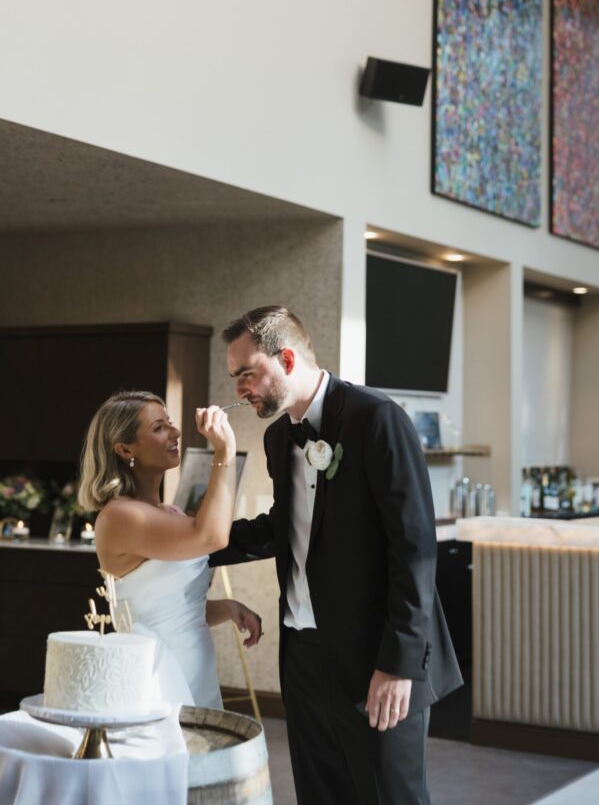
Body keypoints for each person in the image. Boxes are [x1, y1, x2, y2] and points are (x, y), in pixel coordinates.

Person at [210, 306, 462, 804]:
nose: (240, 389)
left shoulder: (376, 418)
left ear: (285, 358)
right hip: (303, 655)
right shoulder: (280, 437)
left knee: (390, 796)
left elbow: (414, 551)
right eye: (235, 378)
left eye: (246, 374)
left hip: (378, 655)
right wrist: (197, 545)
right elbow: (285, 528)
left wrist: (398, 664)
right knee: (321, 794)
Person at [78, 390, 262, 709]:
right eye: (159, 427)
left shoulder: (169, 512)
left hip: (193, 669)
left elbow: (170, 610)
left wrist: (227, 608)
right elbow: (212, 536)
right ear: (124, 449)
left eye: (170, 423)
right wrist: (225, 451)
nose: (175, 432)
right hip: (159, 678)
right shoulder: (120, 516)